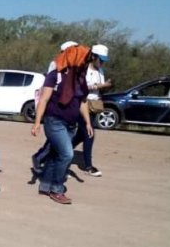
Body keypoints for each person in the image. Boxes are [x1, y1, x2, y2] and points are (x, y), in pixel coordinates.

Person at [31, 45, 93, 204]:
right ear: (75, 58)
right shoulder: (55, 76)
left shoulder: (80, 77)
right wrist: (37, 122)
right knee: (67, 154)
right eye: (84, 59)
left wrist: (87, 122)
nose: (86, 62)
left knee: (56, 154)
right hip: (54, 121)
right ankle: (57, 189)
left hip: (71, 125)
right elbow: (44, 99)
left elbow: (82, 101)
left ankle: (45, 185)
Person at [32, 41, 79, 173]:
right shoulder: (55, 67)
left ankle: (49, 169)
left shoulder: (77, 70)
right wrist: (37, 122)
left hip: (70, 115)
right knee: (64, 150)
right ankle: (43, 162)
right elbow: (48, 92)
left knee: (58, 146)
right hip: (55, 113)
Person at [72, 44, 112, 177]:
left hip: (95, 105)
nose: (102, 63)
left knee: (80, 135)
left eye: (104, 61)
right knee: (89, 134)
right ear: (93, 56)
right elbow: (81, 87)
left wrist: (106, 87)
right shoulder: (84, 69)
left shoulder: (100, 71)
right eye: (100, 60)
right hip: (83, 105)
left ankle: (56, 153)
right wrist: (101, 85)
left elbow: (98, 87)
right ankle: (88, 166)